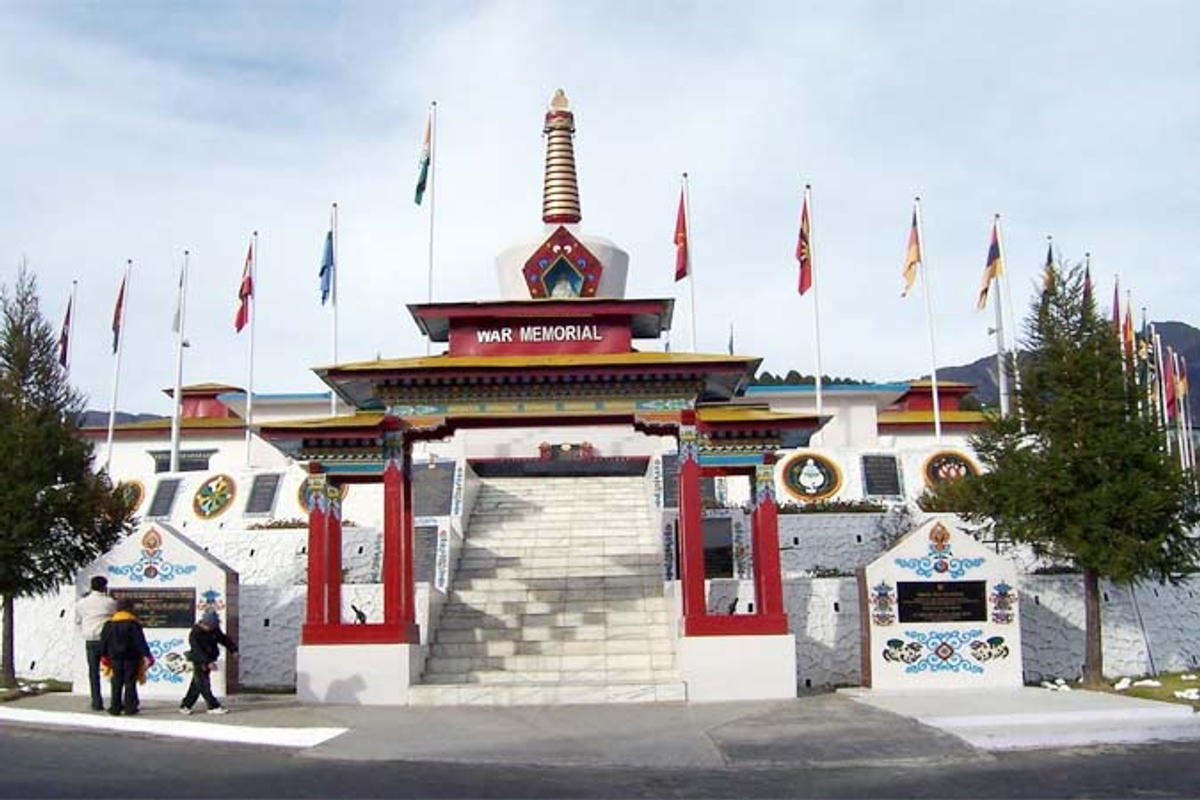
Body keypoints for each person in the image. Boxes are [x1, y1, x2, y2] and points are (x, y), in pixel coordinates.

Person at [98, 598, 153, 716]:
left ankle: (115, 707)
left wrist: (103, 655)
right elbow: (140, 641)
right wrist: (147, 655)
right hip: (131, 657)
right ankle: (130, 707)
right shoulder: (133, 624)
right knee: (130, 682)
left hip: (114, 657)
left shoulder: (109, 624)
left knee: (116, 681)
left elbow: (104, 641)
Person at [180, 610, 237, 715]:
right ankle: (213, 706)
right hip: (199, 661)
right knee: (204, 684)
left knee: (197, 685)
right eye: (210, 626)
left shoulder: (214, 629)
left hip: (210, 658)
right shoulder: (195, 634)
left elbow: (223, 639)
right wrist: (208, 662)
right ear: (204, 624)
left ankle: (185, 705)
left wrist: (233, 650)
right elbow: (197, 650)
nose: (212, 628)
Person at [75, 576, 117, 711]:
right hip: (107, 639)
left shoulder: (82, 603)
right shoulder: (110, 602)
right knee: (112, 671)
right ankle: (115, 700)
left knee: (93, 672)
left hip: (91, 639)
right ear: (104, 587)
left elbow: (78, 620)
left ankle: (96, 702)